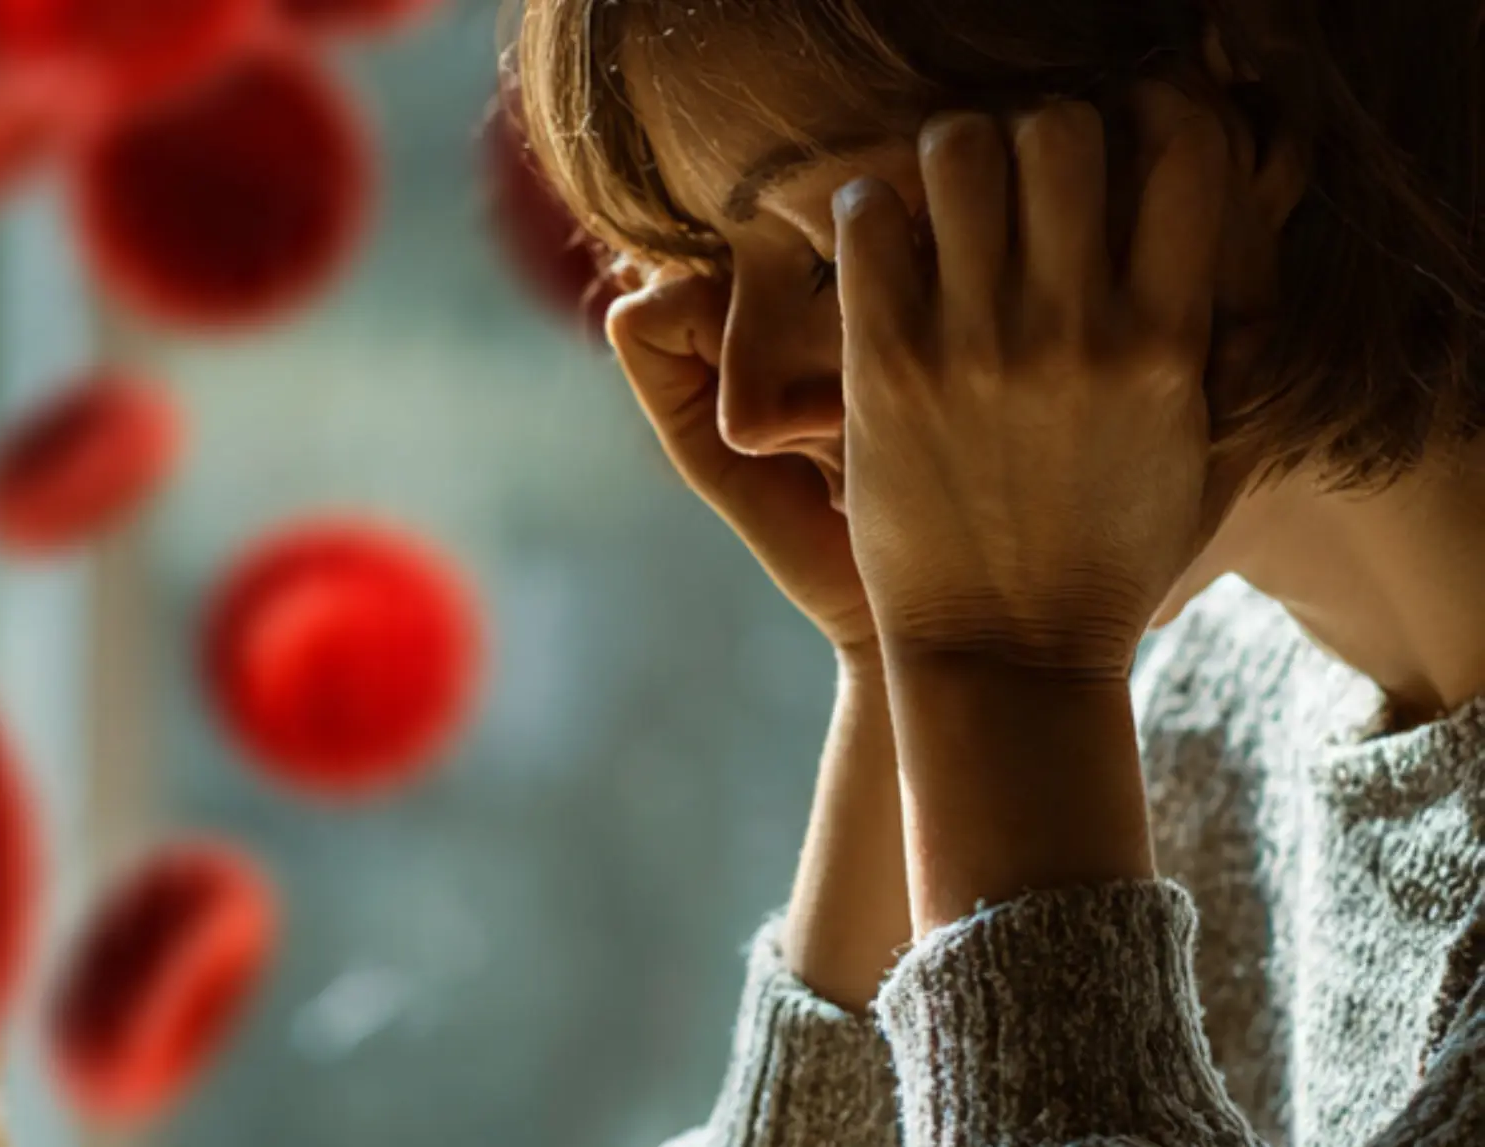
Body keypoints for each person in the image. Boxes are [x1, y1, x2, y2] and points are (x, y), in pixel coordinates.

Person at [507, 0, 1485, 1143]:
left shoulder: (1101, 730)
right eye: (711, 273)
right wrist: (903, 660)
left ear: (1255, 118)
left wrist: (997, 661)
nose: (746, 412)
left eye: (829, 259)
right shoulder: (1207, 724)